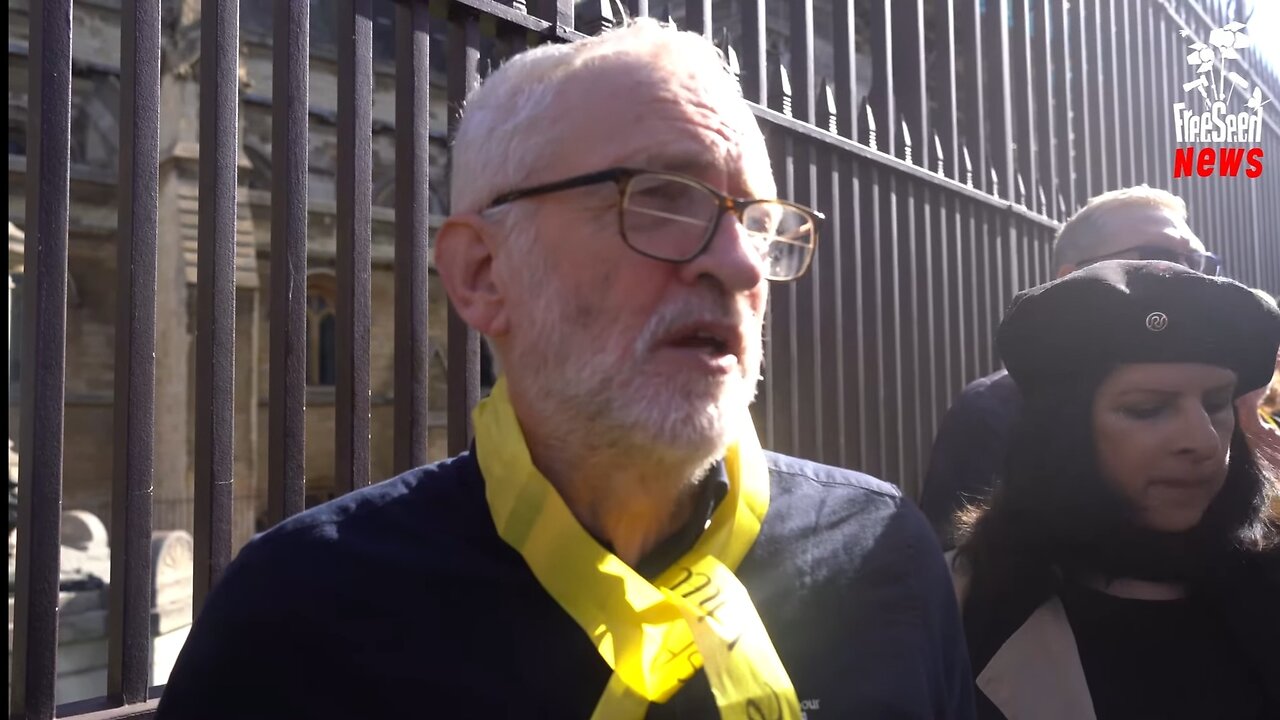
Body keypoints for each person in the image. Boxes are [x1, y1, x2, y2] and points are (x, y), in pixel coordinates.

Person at [156, 20, 973, 719]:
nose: (738, 263)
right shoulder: (299, 616)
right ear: (481, 273)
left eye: (757, 222)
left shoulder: (883, 555)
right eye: (658, 196)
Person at [950, 260, 1280, 719]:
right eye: (1147, 409)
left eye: (1215, 403)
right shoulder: (955, 607)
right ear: (1062, 435)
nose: (1202, 441)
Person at [919, 185, 1221, 547]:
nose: (1191, 277)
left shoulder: (1228, 395)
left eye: (1197, 261)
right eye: (1160, 257)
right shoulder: (996, 408)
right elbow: (956, 561)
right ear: (1071, 279)